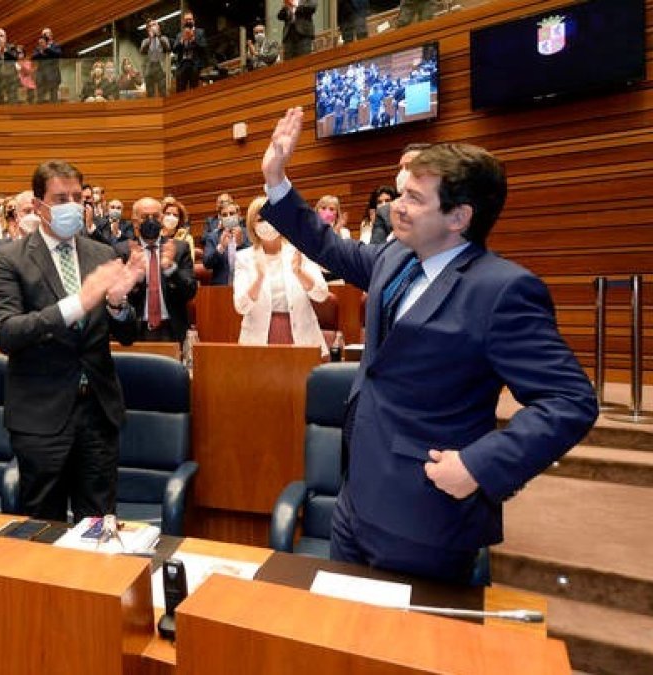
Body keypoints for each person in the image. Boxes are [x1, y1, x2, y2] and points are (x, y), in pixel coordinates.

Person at [258, 106, 598, 583]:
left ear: (458, 217)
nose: (395, 206)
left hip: (426, 518)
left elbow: (570, 401)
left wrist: (479, 465)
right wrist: (277, 178)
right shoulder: (397, 255)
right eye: (399, 194)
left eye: (414, 199)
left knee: (403, 651)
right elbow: (329, 246)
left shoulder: (502, 291)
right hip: (354, 502)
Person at [0, 160, 145, 522]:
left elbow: (128, 335)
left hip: (98, 413)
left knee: (100, 525)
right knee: (44, 530)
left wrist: (118, 304)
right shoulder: (8, 258)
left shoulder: (102, 253)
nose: (72, 205)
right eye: (60, 199)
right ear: (39, 205)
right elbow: (6, 332)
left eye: (77, 197)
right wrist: (78, 304)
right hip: (41, 416)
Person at [233, 196, 329, 354]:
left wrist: (299, 273)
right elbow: (241, 307)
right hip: (258, 339)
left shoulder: (299, 250)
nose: (268, 224)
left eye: (273, 218)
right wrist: (259, 279)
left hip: (301, 336)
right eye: (261, 219)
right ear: (252, 225)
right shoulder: (244, 258)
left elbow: (321, 294)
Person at [118, 198, 197, 343]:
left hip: (170, 330)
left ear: (162, 219)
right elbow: (115, 299)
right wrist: (132, 278)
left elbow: (190, 292)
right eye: (144, 217)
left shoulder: (179, 249)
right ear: (135, 221)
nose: (151, 221)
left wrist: (171, 269)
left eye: (155, 216)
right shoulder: (122, 251)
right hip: (135, 331)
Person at [370, 143, 430, 244]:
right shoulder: (386, 212)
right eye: (400, 168)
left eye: (408, 167)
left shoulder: (444, 206)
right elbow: (375, 252)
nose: (402, 173)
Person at [203, 200, 250, 286]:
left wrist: (240, 244)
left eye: (232, 213)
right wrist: (220, 247)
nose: (228, 217)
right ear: (220, 218)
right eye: (224, 215)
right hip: (221, 288)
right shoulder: (213, 237)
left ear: (238, 215)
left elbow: (254, 261)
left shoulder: (249, 234)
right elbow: (207, 264)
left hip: (245, 286)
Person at [172, 11, 208, 93]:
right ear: (183, 22)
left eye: (190, 19)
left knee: (194, 91)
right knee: (180, 92)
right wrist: (182, 40)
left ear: (193, 20)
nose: (188, 21)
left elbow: (204, 47)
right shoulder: (179, 35)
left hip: (194, 64)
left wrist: (193, 39)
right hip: (182, 65)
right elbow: (174, 50)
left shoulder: (200, 32)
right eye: (186, 20)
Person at [140, 18, 171, 98]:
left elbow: (167, 48)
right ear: (147, 29)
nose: (152, 27)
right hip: (149, 68)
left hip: (160, 68)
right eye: (149, 26)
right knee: (150, 94)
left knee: (163, 93)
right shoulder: (145, 41)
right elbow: (142, 51)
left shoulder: (163, 38)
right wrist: (150, 38)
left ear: (158, 27)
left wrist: (158, 36)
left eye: (154, 25)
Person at [32, 28, 62, 104]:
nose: (45, 35)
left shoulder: (56, 45)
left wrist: (47, 48)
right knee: (40, 97)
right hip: (41, 75)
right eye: (43, 34)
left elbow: (58, 55)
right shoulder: (38, 48)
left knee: (54, 97)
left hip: (53, 75)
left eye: (47, 34)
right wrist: (41, 51)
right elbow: (33, 57)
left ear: (51, 35)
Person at [161, 198, 195, 262]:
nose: (171, 217)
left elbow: (190, 263)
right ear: (161, 215)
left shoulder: (187, 238)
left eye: (175, 215)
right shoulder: (156, 235)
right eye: (168, 214)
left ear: (180, 219)